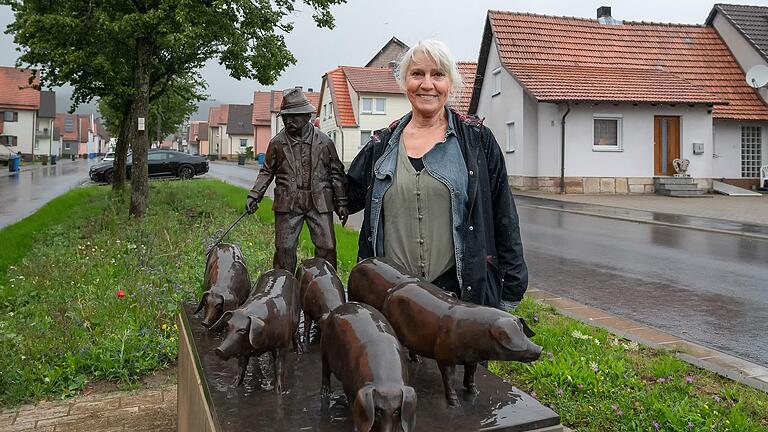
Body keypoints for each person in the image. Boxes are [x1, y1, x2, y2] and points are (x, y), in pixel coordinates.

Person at [346, 40, 528, 311]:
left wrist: (512, 288)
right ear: (404, 81)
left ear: (450, 84)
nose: (427, 84)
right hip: (391, 297)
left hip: (458, 298)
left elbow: (504, 216)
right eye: (417, 73)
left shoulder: (477, 140)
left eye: (438, 75)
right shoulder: (381, 146)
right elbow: (343, 198)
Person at [246, 87, 348, 272]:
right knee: (284, 248)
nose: (288, 121)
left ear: (307, 116)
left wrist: (341, 202)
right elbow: (267, 171)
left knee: (328, 247)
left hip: (319, 202)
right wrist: (254, 195)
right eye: (285, 117)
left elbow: (336, 174)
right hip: (288, 202)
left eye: (293, 116)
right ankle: (283, 288)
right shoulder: (277, 143)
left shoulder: (325, 142)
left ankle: (326, 288)